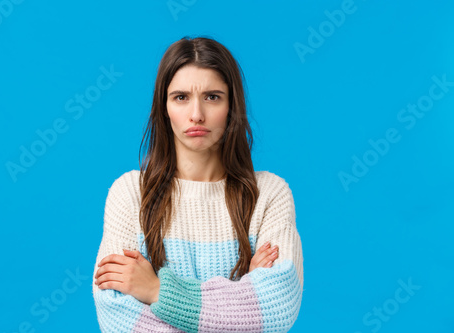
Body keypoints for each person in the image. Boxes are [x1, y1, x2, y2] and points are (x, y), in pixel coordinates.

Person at [92, 36, 304, 332]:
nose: (196, 115)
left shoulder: (269, 194)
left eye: (212, 97)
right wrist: (242, 301)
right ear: (163, 107)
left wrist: (157, 291)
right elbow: (117, 315)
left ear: (232, 105)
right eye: (181, 97)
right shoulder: (130, 193)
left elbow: (277, 308)